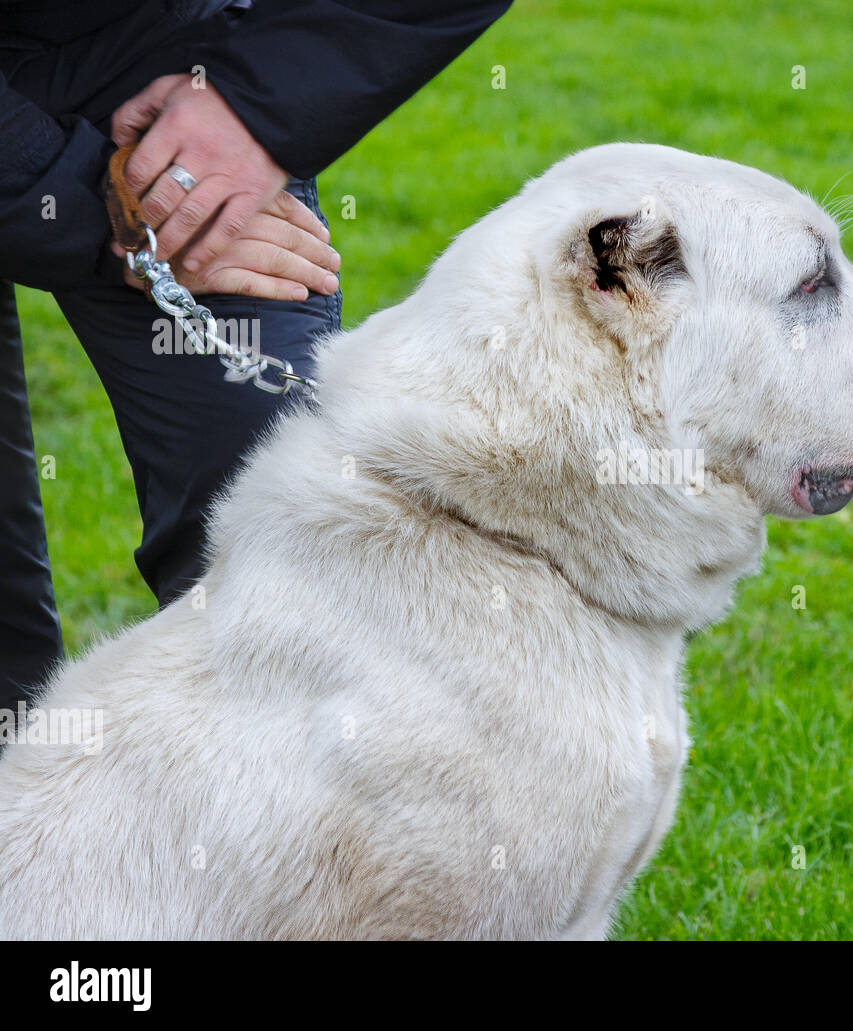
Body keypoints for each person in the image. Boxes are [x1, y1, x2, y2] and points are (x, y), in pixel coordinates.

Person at [0, 0, 512, 713]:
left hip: (147, 55)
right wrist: (79, 207)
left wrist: (253, 106)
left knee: (270, 492)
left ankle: (297, 806)